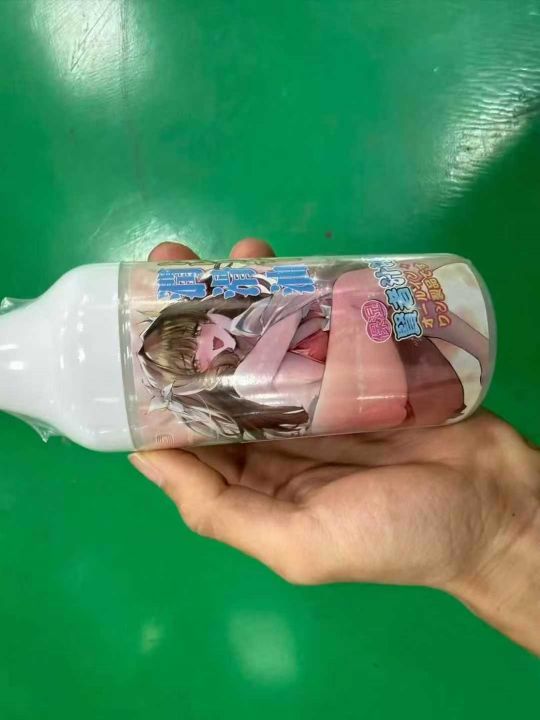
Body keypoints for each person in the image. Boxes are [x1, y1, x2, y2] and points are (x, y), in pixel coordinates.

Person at [129, 238, 540, 656]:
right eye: (194, 360)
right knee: (353, 289)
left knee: (370, 299)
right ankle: (470, 346)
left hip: (404, 397)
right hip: (365, 401)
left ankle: (473, 346)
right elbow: (288, 328)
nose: (209, 344)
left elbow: (299, 321)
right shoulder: (249, 374)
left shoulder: (250, 337)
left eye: (197, 331)